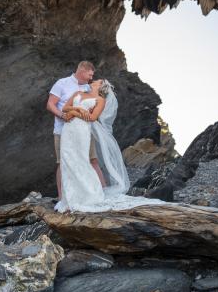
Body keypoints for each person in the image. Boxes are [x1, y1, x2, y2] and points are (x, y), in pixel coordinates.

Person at [54, 78, 167, 213]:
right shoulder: (79, 93)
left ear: (101, 85)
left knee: (81, 160)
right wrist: (74, 111)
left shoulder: (100, 100)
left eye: (97, 81)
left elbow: (93, 118)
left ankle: (88, 194)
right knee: (67, 160)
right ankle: (68, 197)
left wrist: (75, 113)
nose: (93, 81)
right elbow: (65, 109)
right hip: (68, 130)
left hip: (82, 130)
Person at [46, 61, 106, 200]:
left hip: (84, 131)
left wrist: (78, 112)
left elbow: (91, 112)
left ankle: (102, 192)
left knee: (92, 160)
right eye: (90, 74)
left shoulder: (88, 88)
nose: (91, 78)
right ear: (82, 70)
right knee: (62, 162)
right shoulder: (62, 83)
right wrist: (63, 115)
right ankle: (63, 197)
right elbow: (50, 104)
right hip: (62, 130)